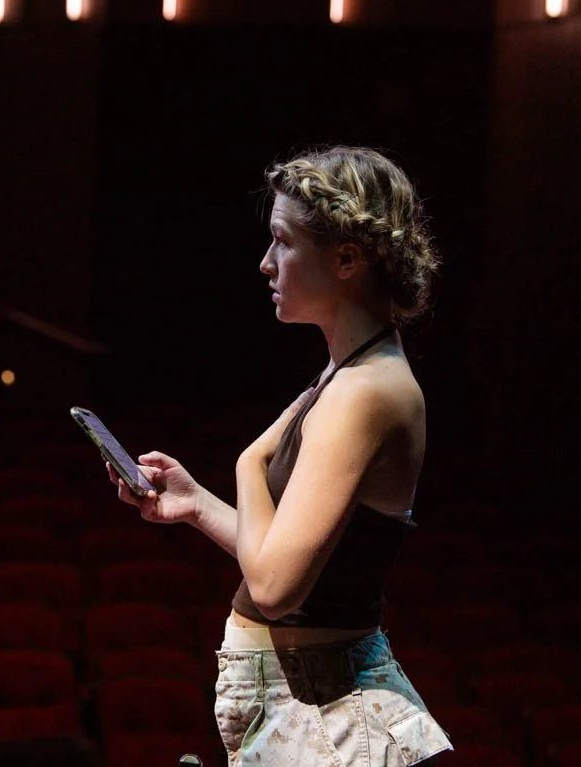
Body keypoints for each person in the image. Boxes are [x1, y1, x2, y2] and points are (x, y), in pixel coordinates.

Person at [105, 146, 454, 766]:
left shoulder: (366, 391)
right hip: (313, 708)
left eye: (283, 242)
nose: (266, 263)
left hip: (330, 717)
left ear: (347, 258)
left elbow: (272, 586)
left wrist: (244, 463)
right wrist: (195, 507)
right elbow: (287, 557)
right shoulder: (347, 373)